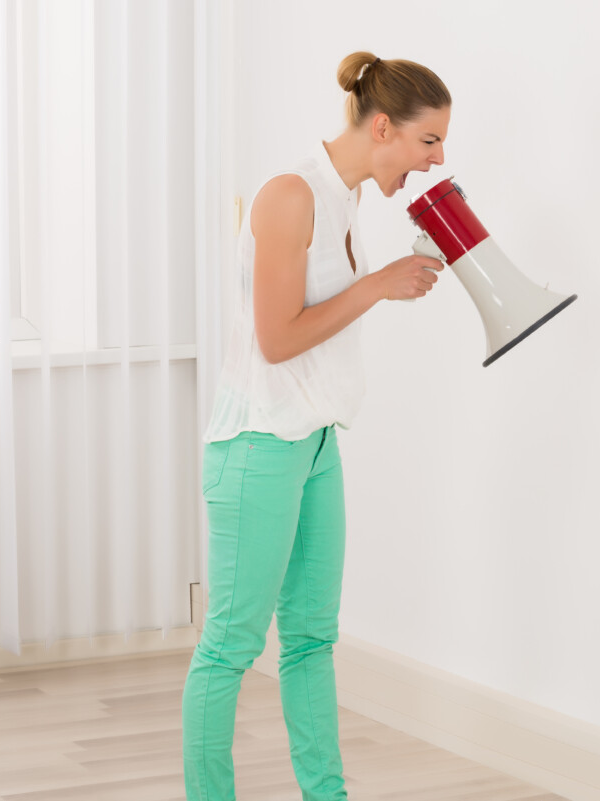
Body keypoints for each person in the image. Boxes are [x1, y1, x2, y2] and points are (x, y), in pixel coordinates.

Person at [182, 51, 452, 801]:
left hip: (315, 441)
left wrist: (384, 283)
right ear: (383, 126)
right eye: (429, 141)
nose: (437, 160)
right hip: (257, 443)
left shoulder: (346, 199)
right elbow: (276, 338)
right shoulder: (291, 195)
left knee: (311, 637)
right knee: (231, 646)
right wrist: (378, 286)